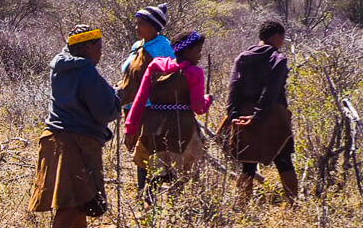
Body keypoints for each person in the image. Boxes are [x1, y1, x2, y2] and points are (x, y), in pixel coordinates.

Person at [29, 25, 121, 228]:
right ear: (85, 47)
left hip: (53, 138)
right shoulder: (87, 72)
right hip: (75, 143)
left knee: (79, 199)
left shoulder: (59, 67)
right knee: (70, 204)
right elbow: (105, 111)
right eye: (98, 46)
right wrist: (118, 98)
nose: (100, 51)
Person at [123, 30, 213, 192]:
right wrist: (208, 99)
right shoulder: (194, 73)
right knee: (182, 175)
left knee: (155, 172)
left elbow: (140, 99)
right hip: (182, 129)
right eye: (197, 50)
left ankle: (147, 204)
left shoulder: (156, 66)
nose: (200, 55)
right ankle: (177, 209)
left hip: (153, 127)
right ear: (186, 51)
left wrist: (130, 127)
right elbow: (198, 108)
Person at [226, 20, 297, 207]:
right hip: (273, 115)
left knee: (248, 163)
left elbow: (234, 87)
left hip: (244, 113)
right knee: (283, 159)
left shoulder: (242, 57)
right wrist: (258, 116)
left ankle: (241, 206)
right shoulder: (278, 59)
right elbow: (270, 91)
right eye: (282, 37)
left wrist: (233, 115)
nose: (282, 41)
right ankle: (293, 204)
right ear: (277, 36)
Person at [117, 4, 174, 191]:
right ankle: (145, 195)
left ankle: (148, 195)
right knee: (140, 154)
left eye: (141, 24)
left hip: (151, 109)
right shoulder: (137, 46)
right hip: (131, 106)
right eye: (137, 23)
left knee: (149, 152)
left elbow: (170, 77)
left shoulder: (162, 47)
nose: (137, 27)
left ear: (154, 26)